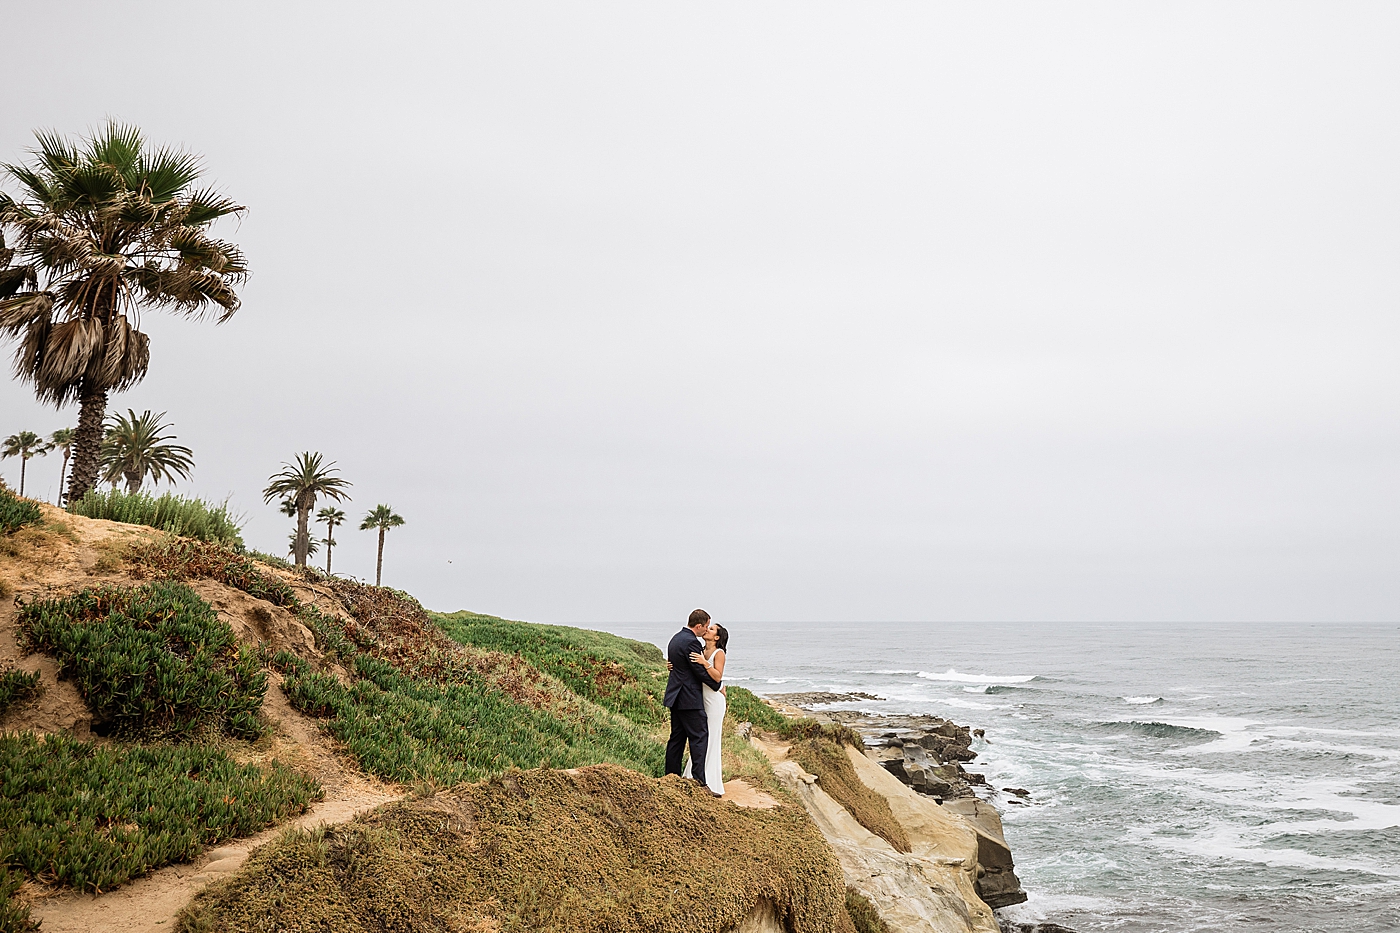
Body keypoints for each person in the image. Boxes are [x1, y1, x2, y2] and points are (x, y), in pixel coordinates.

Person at [664, 609, 721, 790]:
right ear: (698, 626)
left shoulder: (675, 638)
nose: (706, 630)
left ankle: (670, 777)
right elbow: (699, 672)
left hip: (676, 697)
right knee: (699, 738)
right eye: (705, 627)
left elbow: (679, 666)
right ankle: (699, 781)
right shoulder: (691, 643)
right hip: (689, 699)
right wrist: (718, 688)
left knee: (677, 739)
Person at [682, 622, 727, 795]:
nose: (707, 629)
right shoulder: (700, 649)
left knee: (711, 738)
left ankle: (711, 781)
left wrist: (704, 663)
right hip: (701, 699)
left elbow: (717, 676)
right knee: (700, 736)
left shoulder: (719, 653)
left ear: (717, 637)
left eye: (712, 629)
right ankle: (694, 776)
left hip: (714, 701)